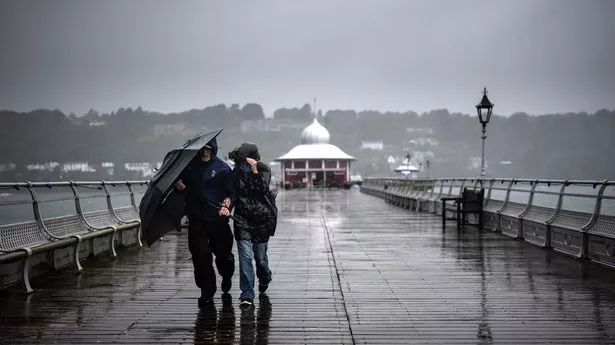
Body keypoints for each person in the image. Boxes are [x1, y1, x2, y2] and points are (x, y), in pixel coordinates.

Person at [176, 137, 235, 308]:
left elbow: (230, 193)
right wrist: (179, 187)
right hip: (196, 219)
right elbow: (181, 189)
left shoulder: (223, 169)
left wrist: (226, 206)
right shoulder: (188, 168)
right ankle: (207, 289)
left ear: (214, 149)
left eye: (208, 148)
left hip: (218, 219)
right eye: (202, 149)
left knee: (223, 255)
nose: (204, 152)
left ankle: (227, 275)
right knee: (200, 256)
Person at [228, 143, 277, 307]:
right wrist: (225, 206)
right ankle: (247, 293)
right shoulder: (235, 174)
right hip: (242, 220)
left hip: (262, 220)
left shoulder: (264, 170)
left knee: (260, 259)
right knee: (246, 257)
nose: (242, 163)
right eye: (240, 160)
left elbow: (261, 190)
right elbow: (232, 195)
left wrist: (255, 170)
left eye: (245, 159)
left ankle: (265, 277)